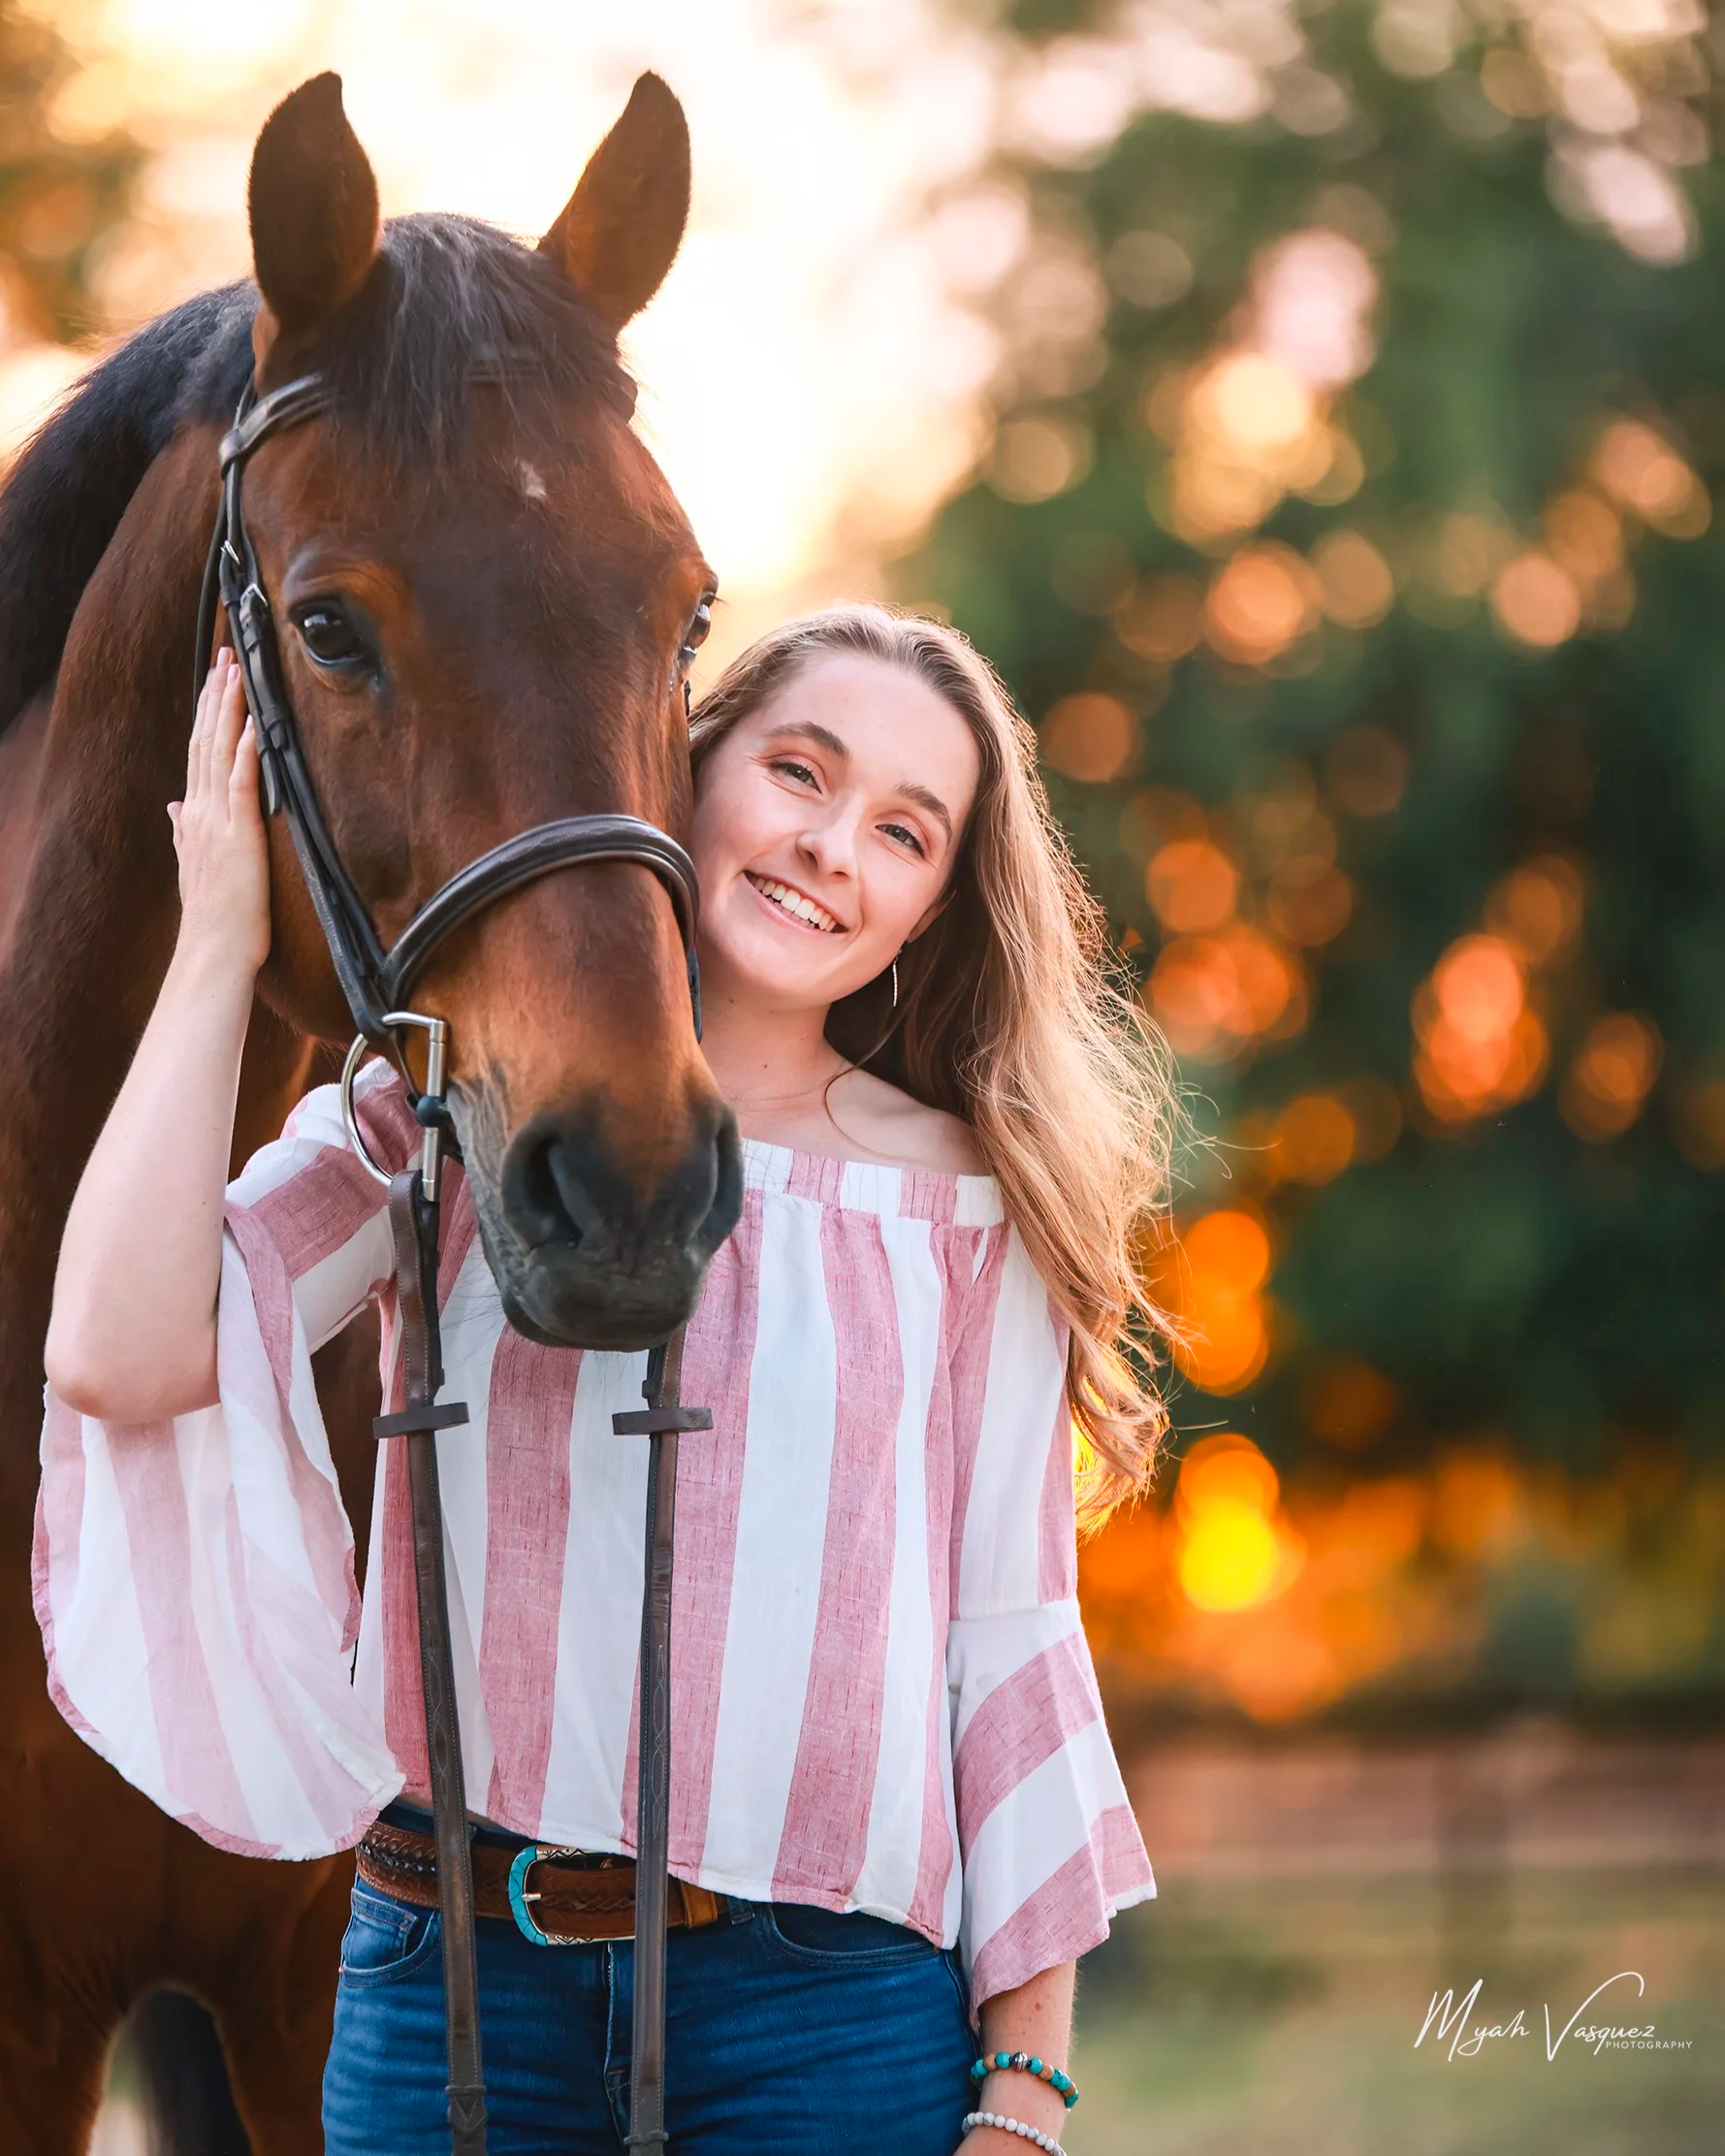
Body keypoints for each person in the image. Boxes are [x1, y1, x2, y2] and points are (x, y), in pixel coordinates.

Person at [40, 604, 1172, 2155]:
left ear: (926, 907)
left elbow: (1009, 1641)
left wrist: (1024, 2099)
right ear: (682, 767)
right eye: (798, 771)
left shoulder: (969, 1211)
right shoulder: (444, 1113)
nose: (833, 845)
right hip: (449, 1994)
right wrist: (217, 948)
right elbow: (118, 1347)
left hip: (824, 2019)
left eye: (902, 832)